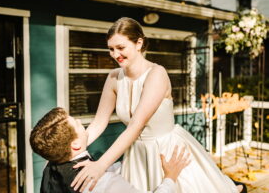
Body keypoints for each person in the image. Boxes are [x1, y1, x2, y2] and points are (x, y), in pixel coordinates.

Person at [71, 17, 245, 193]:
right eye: (111, 49)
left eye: (121, 48)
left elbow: (136, 126)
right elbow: (99, 122)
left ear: (139, 43)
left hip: (166, 153)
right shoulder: (113, 77)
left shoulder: (156, 74)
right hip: (136, 155)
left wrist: (100, 165)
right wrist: (71, 149)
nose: (115, 55)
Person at [29, 107, 190, 193]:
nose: (79, 120)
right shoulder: (102, 183)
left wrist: (126, 163)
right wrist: (170, 177)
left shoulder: (49, 166)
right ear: (76, 145)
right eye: (77, 124)